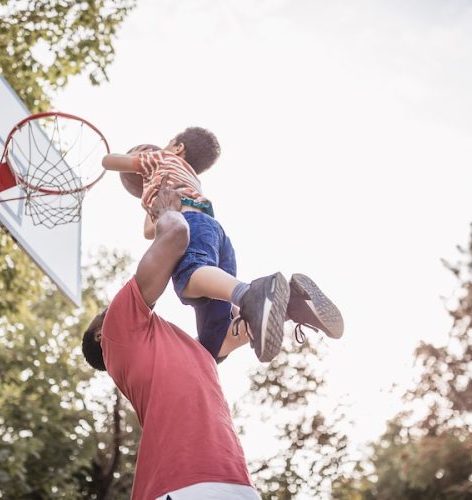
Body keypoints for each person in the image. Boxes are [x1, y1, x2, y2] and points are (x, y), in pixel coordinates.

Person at [101, 131, 343, 364]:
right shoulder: (186, 176)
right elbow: (148, 230)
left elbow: (109, 161)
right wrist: (148, 190)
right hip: (214, 233)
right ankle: (294, 304)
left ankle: (250, 294)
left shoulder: (159, 158)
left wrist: (135, 163)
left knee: (188, 277)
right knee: (212, 345)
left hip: (191, 224)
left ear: (178, 147)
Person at [82, 184, 260, 499]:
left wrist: (282, 308)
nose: (106, 311)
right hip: (178, 485)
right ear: (101, 335)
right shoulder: (116, 332)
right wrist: (164, 212)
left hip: (235, 483)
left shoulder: (193, 351)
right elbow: (176, 236)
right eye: (101, 315)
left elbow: (240, 332)